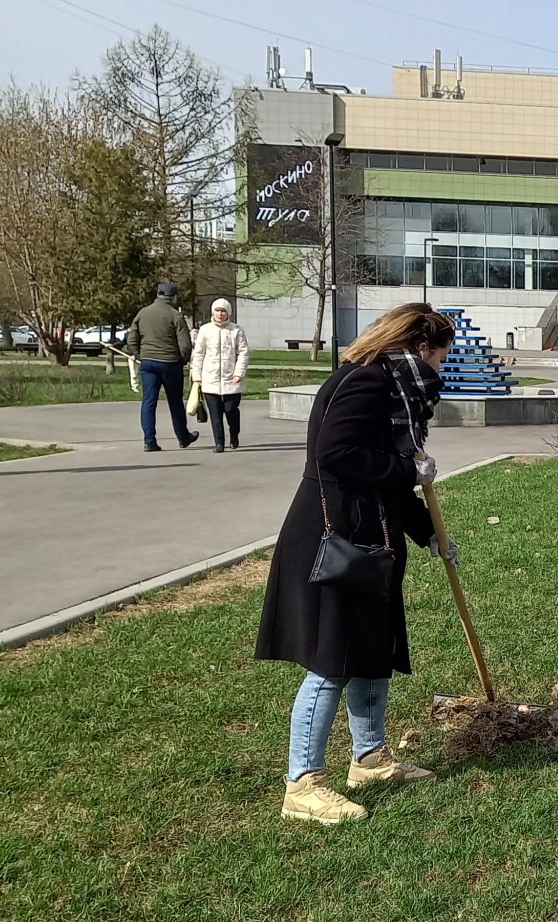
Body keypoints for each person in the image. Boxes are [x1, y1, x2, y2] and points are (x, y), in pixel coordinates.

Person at [256, 302, 457, 824]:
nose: (442, 367)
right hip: (336, 539)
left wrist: (427, 533)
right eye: (440, 356)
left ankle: (368, 758)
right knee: (333, 660)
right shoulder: (366, 384)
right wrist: (406, 469)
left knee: (373, 649)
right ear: (419, 347)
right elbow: (335, 453)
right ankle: (302, 782)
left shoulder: (395, 389)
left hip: (373, 537)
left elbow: (388, 481)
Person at [126, 281, 200, 451]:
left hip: (147, 362)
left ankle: (149, 441)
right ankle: (183, 437)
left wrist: (139, 355)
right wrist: (183, 360)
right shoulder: (175, 315)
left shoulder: (143, 313)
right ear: (173, 297)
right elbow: (186, 345)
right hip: (170, 363)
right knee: (175, 402)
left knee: (149, 402)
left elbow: (132, 339)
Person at [190, 298, 251, 453]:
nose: (220, 314)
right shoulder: (205, 330)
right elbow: (198, 354)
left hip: (232, 379)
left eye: (223, 311)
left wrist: (239, 373)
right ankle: (219, 442)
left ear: (228, 313)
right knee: (215, 413)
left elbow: (243, 353)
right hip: (210, 379)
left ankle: (234, 434)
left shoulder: (236, 330)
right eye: (217, 310)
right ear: (213, 312)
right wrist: (197, 375)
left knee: (230, 410)